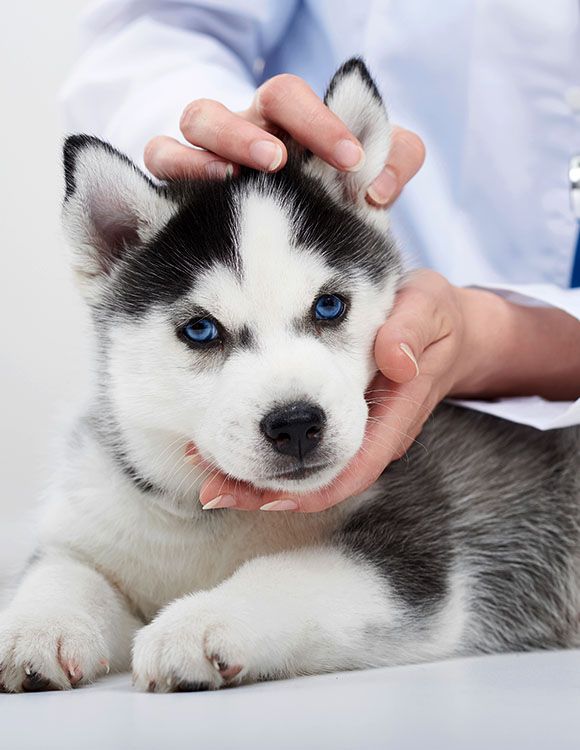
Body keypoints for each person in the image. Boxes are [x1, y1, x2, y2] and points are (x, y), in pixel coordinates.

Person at [61, 0, 580, 512]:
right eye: (202, 331)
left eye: (328, 309)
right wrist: (222, 149)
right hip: (320, 202)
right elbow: (161, 24)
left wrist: (498, 338)